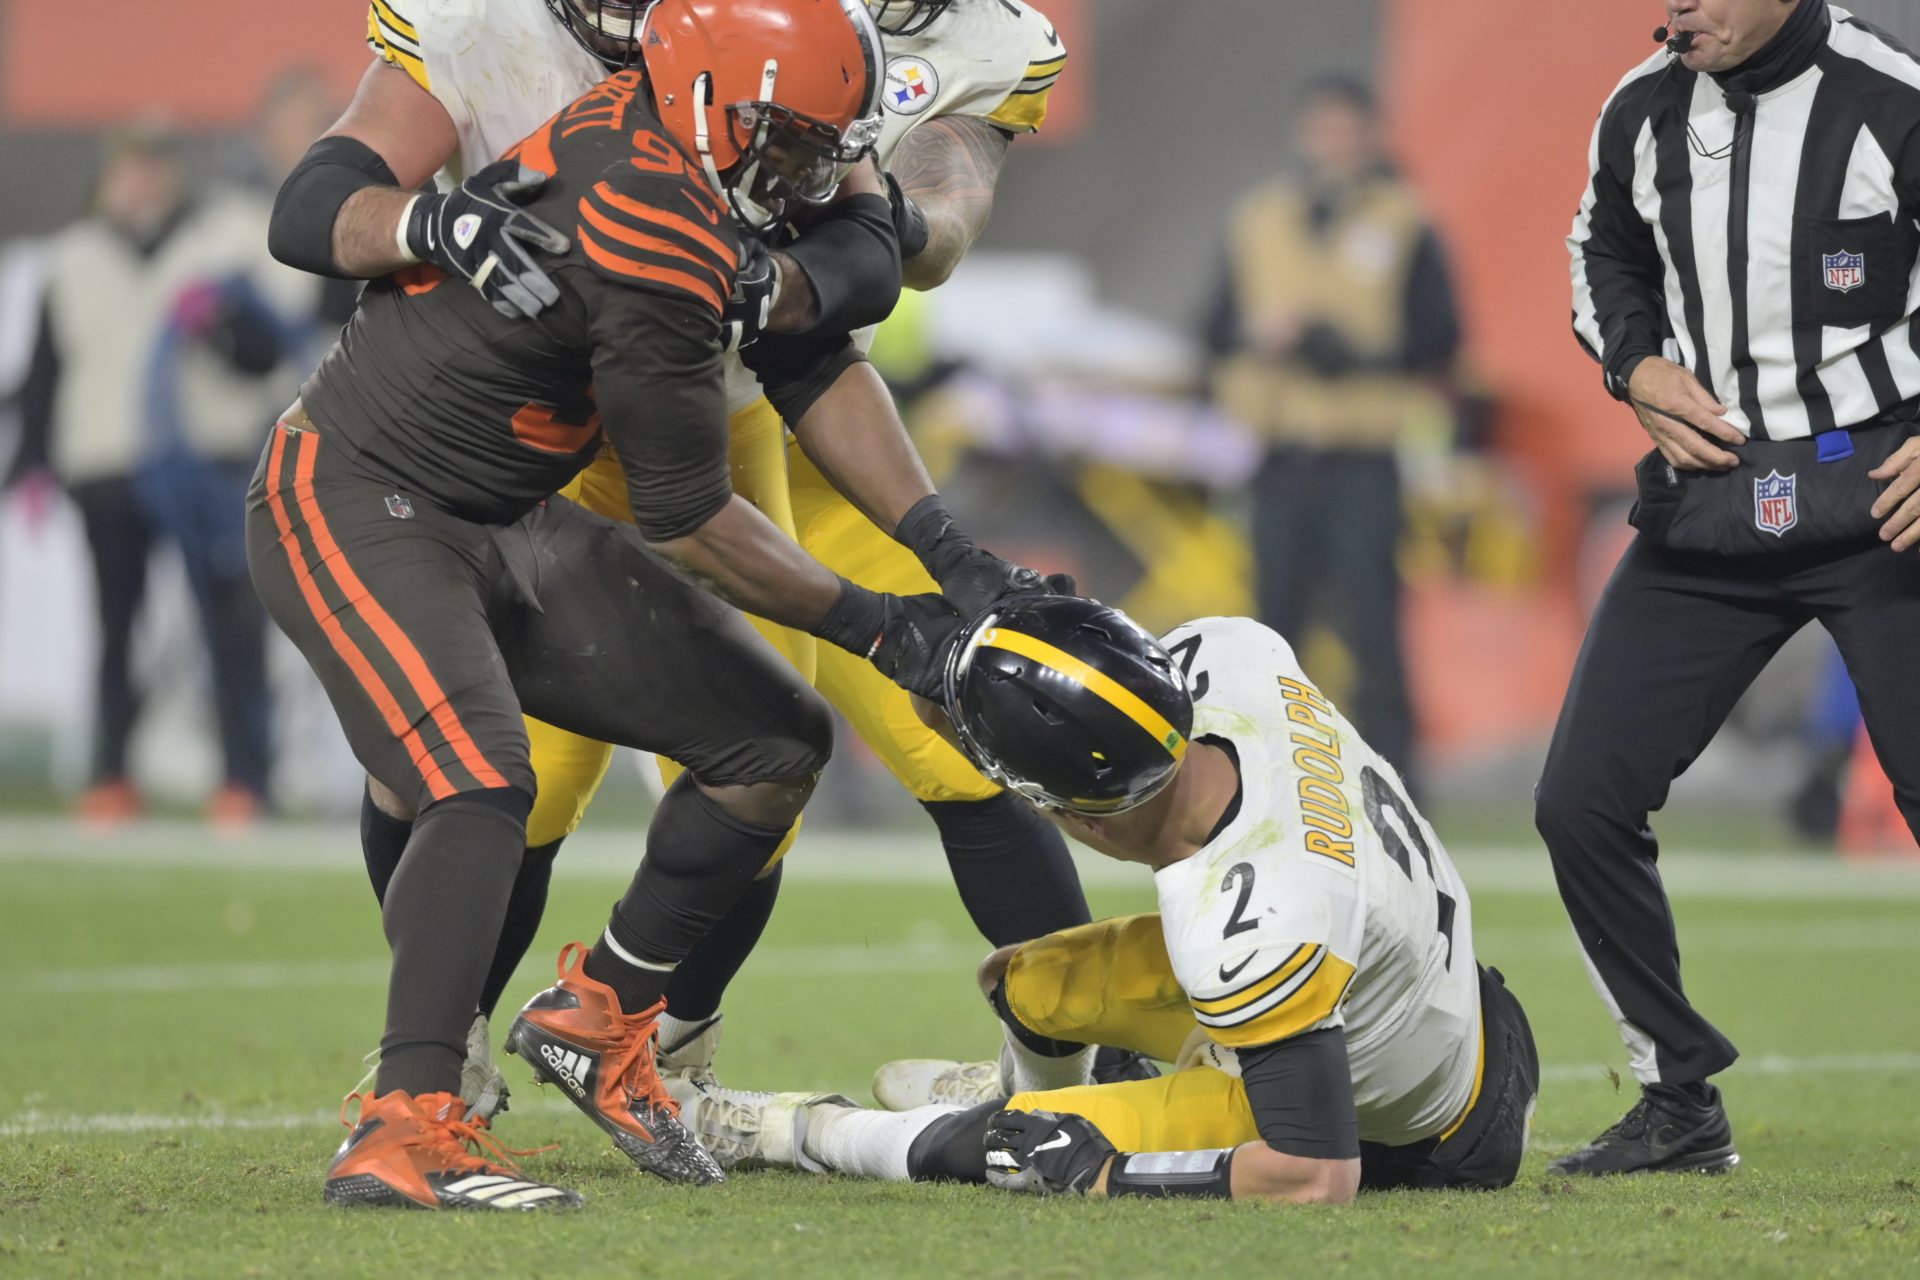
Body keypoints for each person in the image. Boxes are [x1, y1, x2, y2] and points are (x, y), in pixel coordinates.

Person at [269, 0, 1101, 1120]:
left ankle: (660, 1032)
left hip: (739, 409)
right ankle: (438, 1047)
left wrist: (781, 294)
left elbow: (873, 258)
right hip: (504, 446)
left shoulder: (802, 50)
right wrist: (432, 223)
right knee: (491, 773)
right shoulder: (528, 61)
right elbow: (319, 199)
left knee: (811, 738)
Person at [678, 598, 1539, 1204]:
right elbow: (1098, 683)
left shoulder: (1261, 913)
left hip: (1421, 1125)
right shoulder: (1233, 667)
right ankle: (1021, 1098)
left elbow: (1315, 1177)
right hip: (1416, 992)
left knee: (1015, 1147)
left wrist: (1100, 1172)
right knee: (1029, 981)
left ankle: (796, 1132)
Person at [1548, 0, 1920, 1177]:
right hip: (1708, 504)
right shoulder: (1640, 106)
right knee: (1580, 801)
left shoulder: (1893, 96)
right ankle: (1675, 1102)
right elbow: (1597, 250)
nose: (1678, 8)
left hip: (1882, 498)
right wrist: (1633, 358)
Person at [10, 122, 319, 825]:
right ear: (108, 177)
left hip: (202, 466)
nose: (141, 182)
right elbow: (44, 372)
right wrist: (30, 460)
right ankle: (110, 776)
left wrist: (218, 323)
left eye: (153, 168)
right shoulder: (72, 258)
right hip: (107, 463)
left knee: (228, 631)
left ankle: (244, 779)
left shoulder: (218, 250)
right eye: (129, 168)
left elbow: (267, 354)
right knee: (116, 630)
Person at [1203, 75, 1461, 784]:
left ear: (1371, 135)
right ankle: (1270, 780)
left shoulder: (1405, 218)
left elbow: (1442, 340)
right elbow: (1213, 327)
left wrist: (1353, 352)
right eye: (1324, 128)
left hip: (1363, 452)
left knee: (1373, 627)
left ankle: (1398, 782)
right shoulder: (1259, 218)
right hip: (1279, 449)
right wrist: (1260, 335)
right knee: (1271, 628)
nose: (1334, 144)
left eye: (1348, 129)